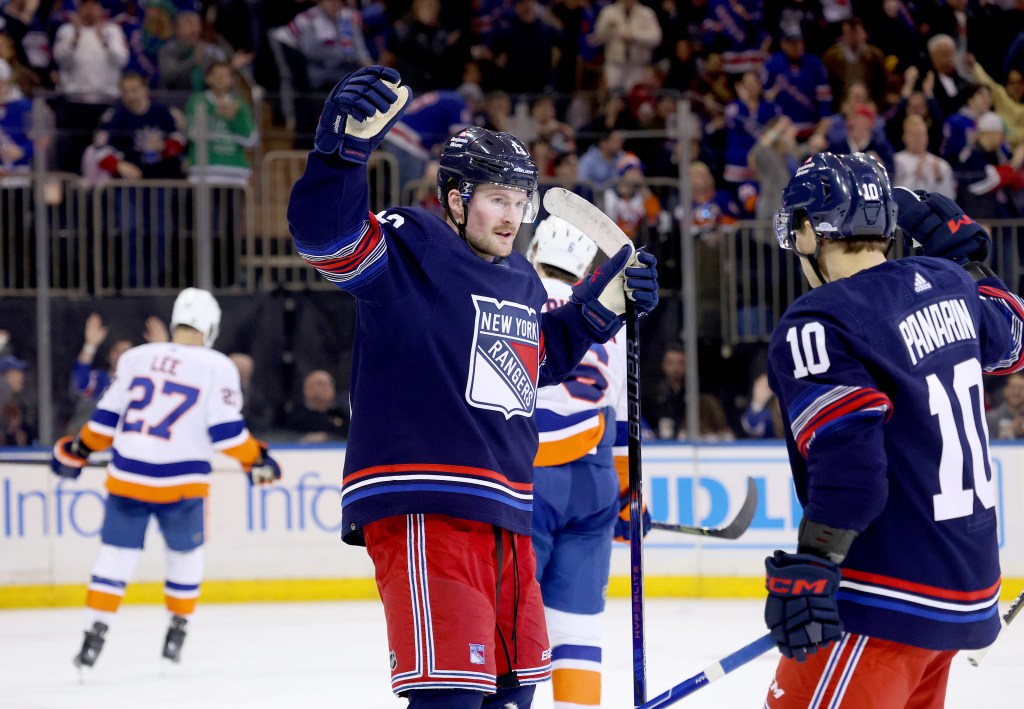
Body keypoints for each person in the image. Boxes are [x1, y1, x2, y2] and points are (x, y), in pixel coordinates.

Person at [286, 65, 659, 709]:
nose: (513, 217)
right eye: (497, 200)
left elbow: (528, 368)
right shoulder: (416, 244)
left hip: (506, 513)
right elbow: (328, 239)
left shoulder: (520, 279)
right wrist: (339, 155)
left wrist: (597, 310)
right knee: (450, 700)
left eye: (521, 202)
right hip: (430, 505)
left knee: (512, 697)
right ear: (455, 198)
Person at [762, 152, 1023, 706]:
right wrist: (968, 261)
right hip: (963, 592)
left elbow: (853, 470)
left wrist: (813, 566)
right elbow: (1015, 334)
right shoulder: (949, 282)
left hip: (883, 600)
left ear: (807, 230)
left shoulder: (819, 320)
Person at [50, 288, 282, 672]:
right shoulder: (217, 365)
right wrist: (257, 458)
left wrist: (77, 450)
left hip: (129, 476)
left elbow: (105, 422)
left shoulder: (135, 358)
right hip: (182, 484)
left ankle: (93, 637)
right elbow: (227, 434)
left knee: (115, 558)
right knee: (185, 558)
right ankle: (178, 630)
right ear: (211, 327)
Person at [526, 216, 642, 709]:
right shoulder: (604, 317)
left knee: (509, 625)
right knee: (578, 629)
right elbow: (621, 420)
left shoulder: (513, 300)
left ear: (533, 252)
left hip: (526, 477)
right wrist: (627, 498)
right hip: (594, 481)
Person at [283, 369, 348, 442]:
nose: (326, 388)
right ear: (307, 390)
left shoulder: (343, 414)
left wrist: (327, 437)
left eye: (330, 383)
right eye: (320, 384)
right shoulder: (294, 415)